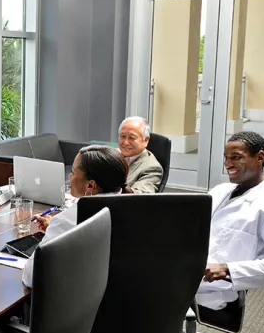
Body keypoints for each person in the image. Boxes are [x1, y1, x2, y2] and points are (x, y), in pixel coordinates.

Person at [196, 131, 264, 312]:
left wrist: (227, 269)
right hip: (189, 267)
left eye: (236, 157)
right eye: (226, 158)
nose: (228, 164)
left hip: (214, 287)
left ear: (260, 157)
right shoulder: (220, 191)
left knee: (139, 286)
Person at [22, 145, 128, 288]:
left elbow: (31, 277)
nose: (69, 177)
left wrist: (59, 227)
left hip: (74, 303)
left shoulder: (68, 219)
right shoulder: (129, 207)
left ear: (91, 185)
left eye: (72, 172)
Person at [118, 116, 163, 194]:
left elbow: (139, 196)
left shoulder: (152, 168)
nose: (125, 142)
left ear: (146, 140)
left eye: (132, 138)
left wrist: (115, 183)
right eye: (122, 136)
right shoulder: (111, 154)